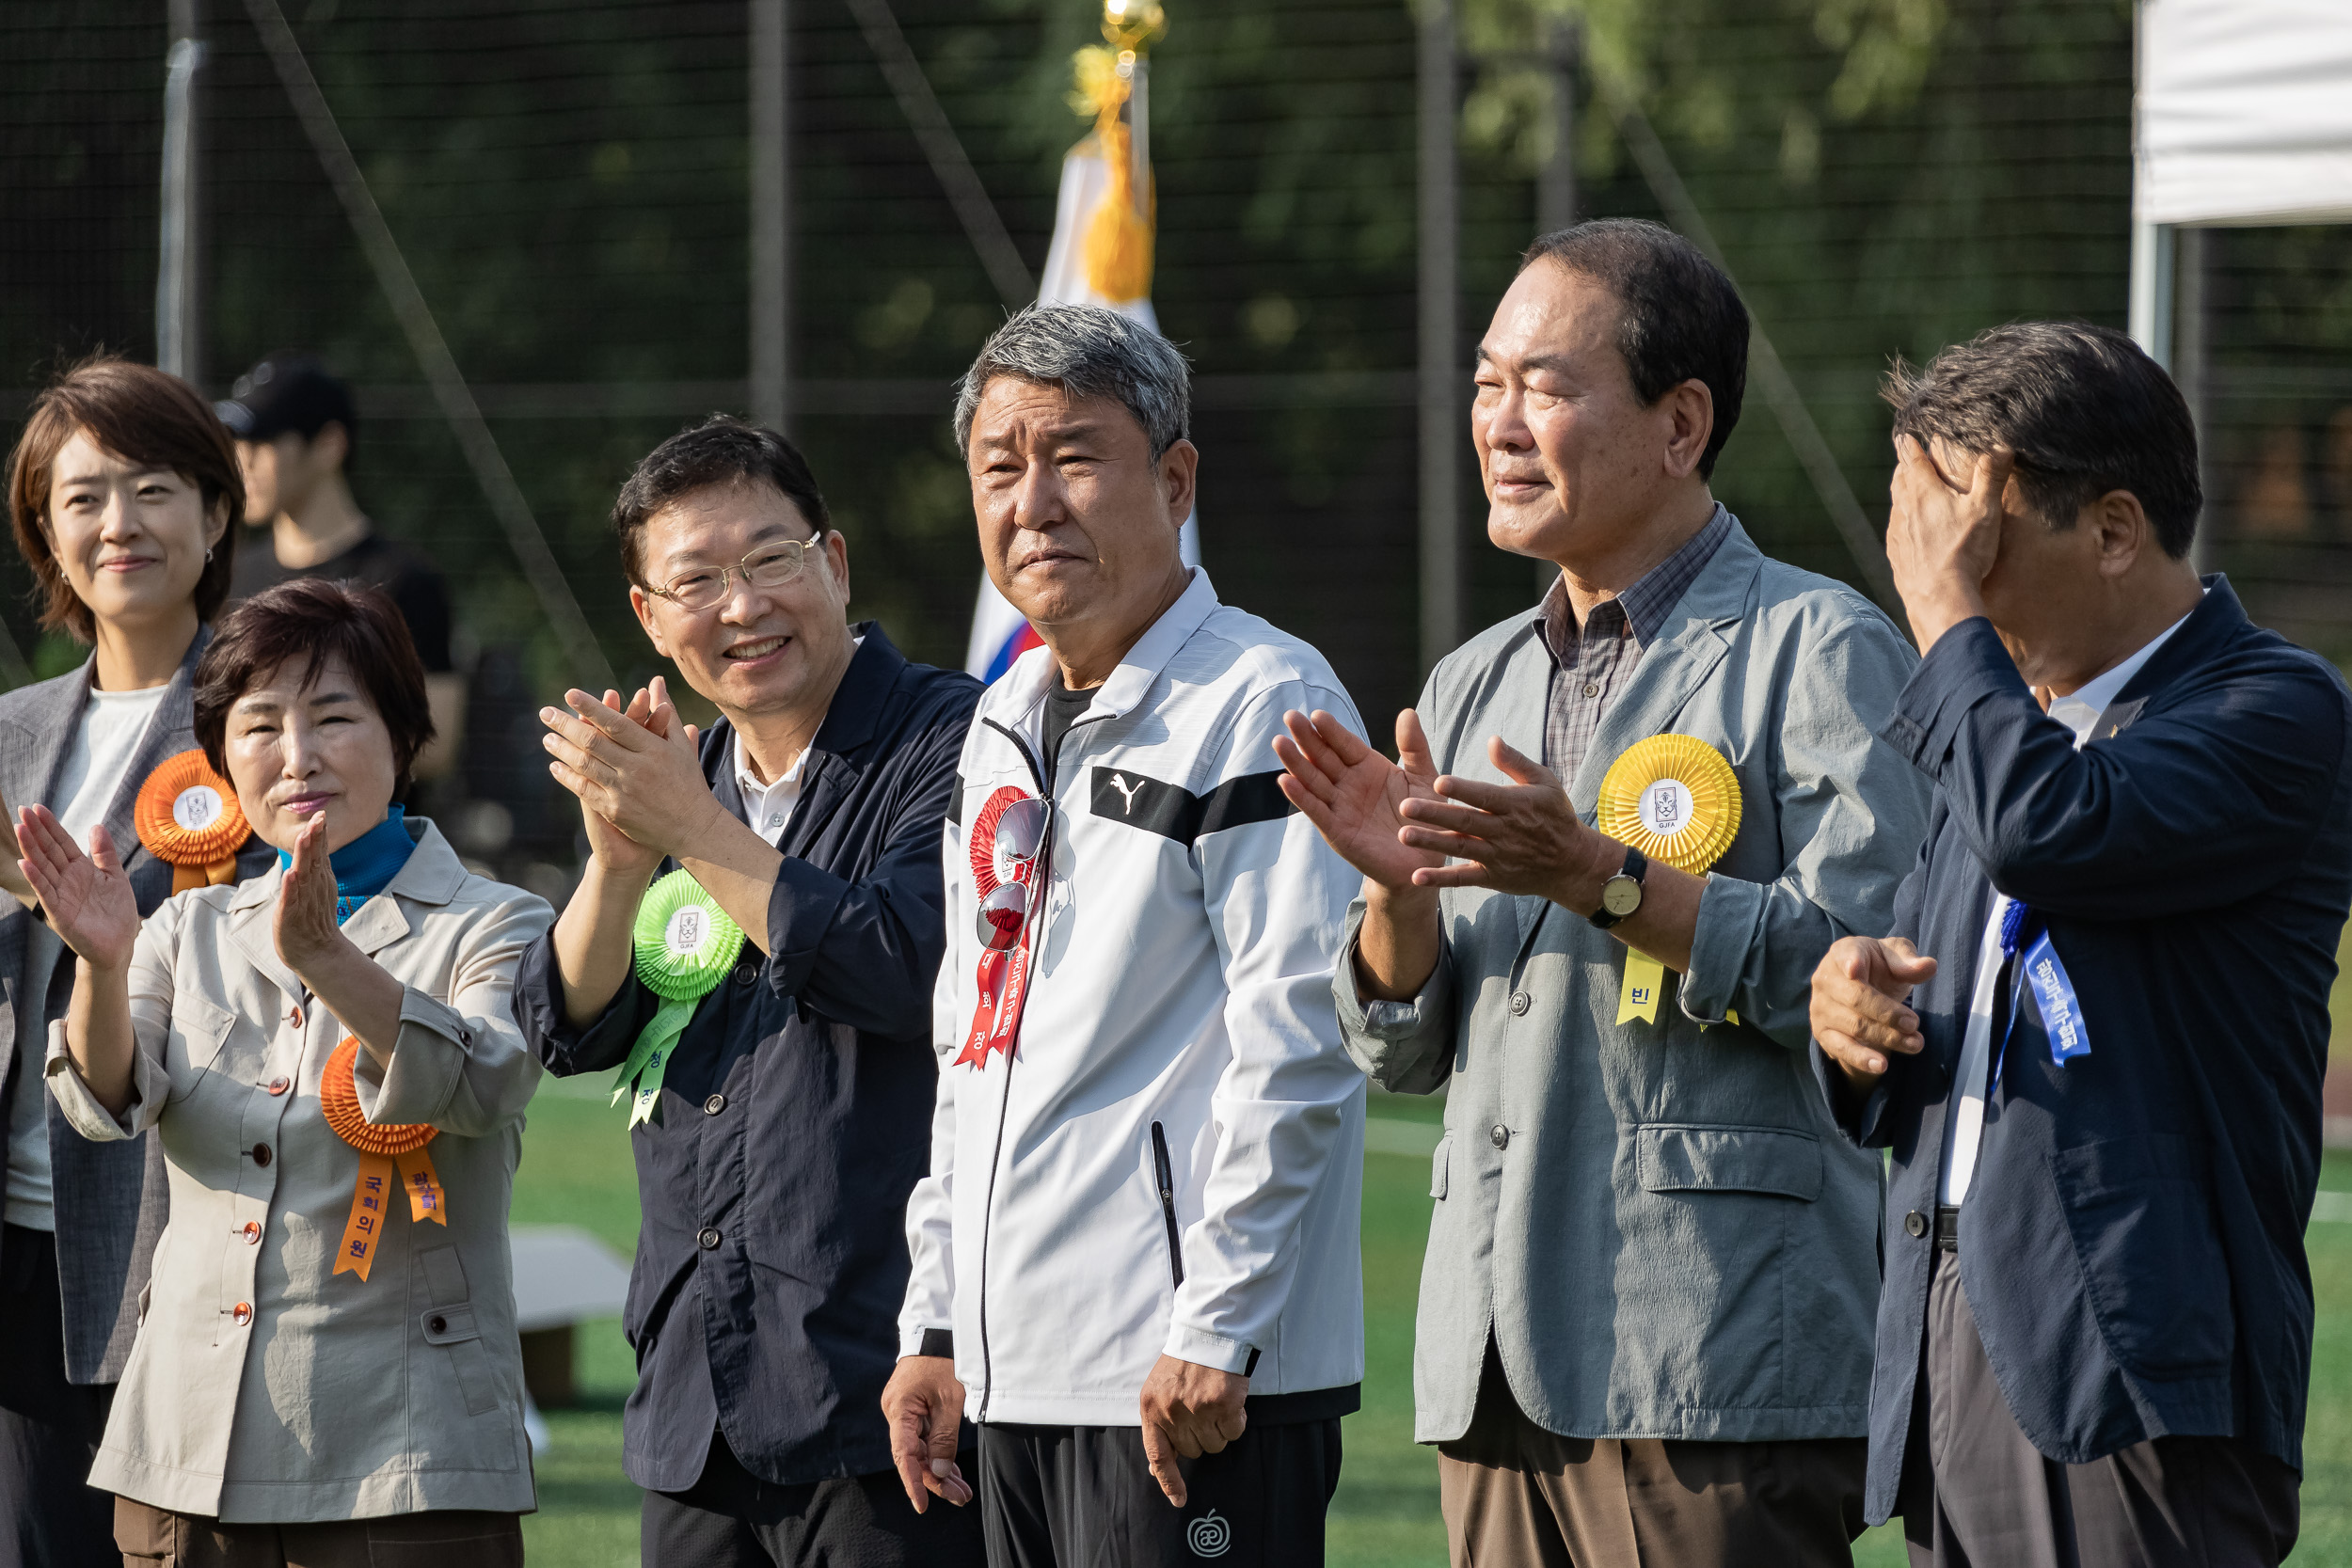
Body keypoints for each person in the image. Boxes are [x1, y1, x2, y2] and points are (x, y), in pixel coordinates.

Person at [1276, 218, 1932, 1566]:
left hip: (1708, 1352)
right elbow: (1410, 1046)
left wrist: (1603, 877)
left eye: (1546, 386)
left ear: (1681, 422)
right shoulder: (1471, 679)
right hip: (1495, 1364)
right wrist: (1394, 901)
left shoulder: (1820, 646)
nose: (1499, 423)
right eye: (1484, 382)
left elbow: (1869, 978)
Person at [1807, 322, 2351, 1567]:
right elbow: (1971, 996)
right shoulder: (2003, 727)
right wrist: (1859, 1012)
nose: (1943, 574)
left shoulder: (2274, 707)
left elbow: (2056, 834)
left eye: (1971, 535)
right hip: (1955, 1328)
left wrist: (1948, 621)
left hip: (2132, 1364)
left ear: (2112, 529)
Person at [884, 303, 1369, 1567]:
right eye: (1000, 465)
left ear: (1176, 477)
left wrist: (1221, 1322)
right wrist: (936, 1325)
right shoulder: (998, 722)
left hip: (1190, 1381)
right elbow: (967, 1047)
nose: (1033, 500)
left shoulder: (1266, 699)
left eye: (1074, 455)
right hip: (1013, 1377)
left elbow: (1303, 1038)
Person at [515, 417, 985, 1567]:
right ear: (647, 616)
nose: (743, 604)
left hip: (891, 1396)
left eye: (771, 560)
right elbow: (568, 1028)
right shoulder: (686, 771)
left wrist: (689, 826)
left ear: (833, 561)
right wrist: (620, 866)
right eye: (698, 579)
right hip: (697, 1395)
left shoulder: (958, 736)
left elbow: (902, 965)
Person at [17, 577, 551, 1561]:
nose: (296, 756)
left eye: (334, 716)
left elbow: (484, 1085)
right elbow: (105, 1103)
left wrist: (329, 959)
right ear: (223, 759)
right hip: (185, 1456)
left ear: (403, 737)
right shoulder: (188, 922)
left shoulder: (501, 920)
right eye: (258, 725)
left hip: (405, 1461)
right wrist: (101, 959)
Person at [0, 356, 278, 1565]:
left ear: (216, 513)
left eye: (155, 487)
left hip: (184, 1236)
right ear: (46, 534)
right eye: (83, 496)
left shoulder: (271, 715)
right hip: (19, 1233)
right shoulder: (12, 731)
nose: (120, 523)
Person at [217, 353, 466, 781]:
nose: (245, 461)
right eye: (238, 444)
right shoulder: (231, 578)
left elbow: (436, 743)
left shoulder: (403, 579)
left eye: (264, 442)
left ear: (329, 446)